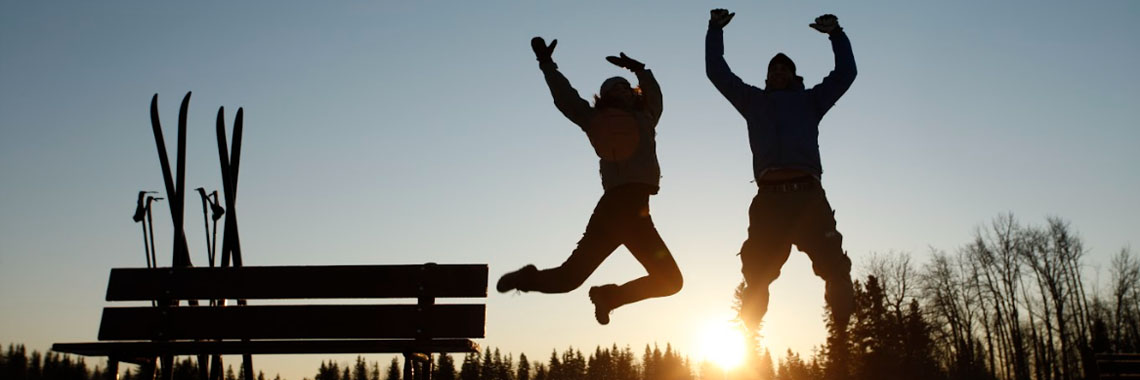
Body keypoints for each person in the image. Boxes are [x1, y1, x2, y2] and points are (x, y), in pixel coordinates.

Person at [497, 36, 683, 326]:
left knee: (670, 281)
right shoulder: (595, 119)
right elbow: (565, 98)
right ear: (606, 96)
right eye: (614, 88)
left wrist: (640, 70)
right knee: (570, 279)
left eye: (625, 86)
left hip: (638, 213)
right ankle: (527, 279)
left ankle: (609, 297)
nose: (622, 90)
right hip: (614, 210)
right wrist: (547, 64)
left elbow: (655, 97)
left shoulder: (645, 118)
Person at [705, 9, 857, 340]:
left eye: (784, 69)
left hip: (807, 198)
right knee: (757, 272)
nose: (778, 73)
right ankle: (750, 332)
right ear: (767, 76)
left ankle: (843, 330)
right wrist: (715, 30)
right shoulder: (753, 101)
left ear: (793, 75)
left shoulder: (810, 101)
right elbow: (717, 73)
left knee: (834, 266)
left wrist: (836, 34)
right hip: (770, 199)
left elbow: (845, 73)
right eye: (773, 69)